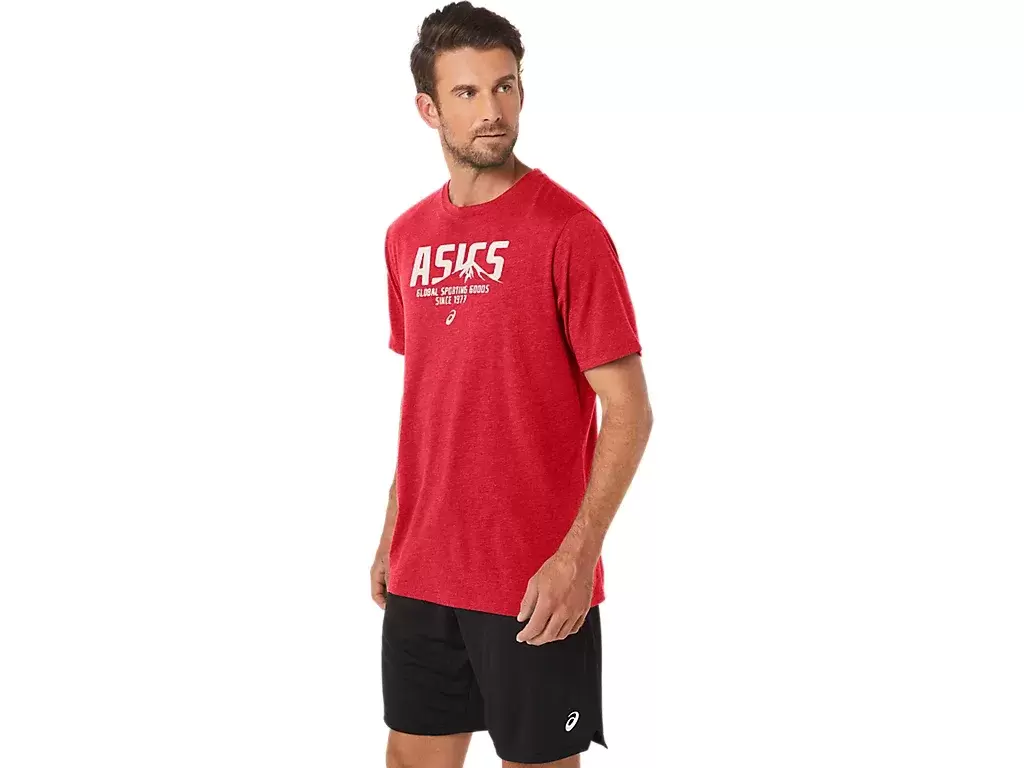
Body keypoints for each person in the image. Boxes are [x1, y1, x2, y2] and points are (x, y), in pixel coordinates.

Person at [371, 3, 654, 766]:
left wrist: (577, 560)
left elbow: (630, 410)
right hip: (424, 569)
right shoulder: (405, 238)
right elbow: (433, 400)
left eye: (505, 86)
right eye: (467, 93)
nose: (492, 110)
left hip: (532, 581)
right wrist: (394, 528)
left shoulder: (568, 232)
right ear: (429, 109)